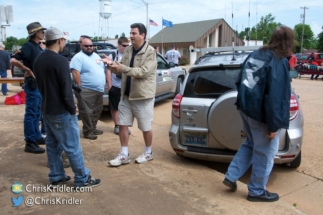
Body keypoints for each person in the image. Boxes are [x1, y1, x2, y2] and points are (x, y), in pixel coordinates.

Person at [223, 26, 294, 202]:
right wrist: (273, 125)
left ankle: (231, 176)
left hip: (246, 109)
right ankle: (256, 191)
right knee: (265, 153)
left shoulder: (256, 54)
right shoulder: (278, 61)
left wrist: (243, 105)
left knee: (250, 143)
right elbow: (276, 96)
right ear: (288, 42)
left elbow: (240, 80)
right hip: (261, 115)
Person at [33, 27, 101, 188]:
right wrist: (72, 109)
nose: (64, 44)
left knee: (52, 145)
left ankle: (56, 177)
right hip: (61, 110)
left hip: (46, 109)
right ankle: (82, 178)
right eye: (63, 40)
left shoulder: (39, 60)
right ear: (58, 40)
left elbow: (49, 84)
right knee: (72, 146)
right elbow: (65, 89)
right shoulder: (61, 61)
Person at [107, 23, 157, 167]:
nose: (131, 36)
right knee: (122, 125)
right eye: (130, 33)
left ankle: (148, 152)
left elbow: (143, 72)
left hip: (143, 97)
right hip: (126, 96)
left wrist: (121, 67)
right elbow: (121, 68)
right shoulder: (128, 50)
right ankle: (124, 154)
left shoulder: (150, 52)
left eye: (134, 33)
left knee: (145, 127)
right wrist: (111, 65)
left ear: (143, 35)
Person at [10, 22, 46, 154]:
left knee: (37, 112)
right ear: (35, 33)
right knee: (31, 113)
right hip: (33, 84)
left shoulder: (37, 46)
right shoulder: (28, 46)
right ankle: (30, 142)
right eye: (42, 31)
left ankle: (36, 137)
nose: (43, 33)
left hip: (38, 84)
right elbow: (13, 60)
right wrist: (26, 69)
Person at [70, 38, 106, 140]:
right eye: (87, 46)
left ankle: (93, 128)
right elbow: (75, 72)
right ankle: (87, 131)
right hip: (86, 89)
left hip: (99, 89)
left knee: (97, 110)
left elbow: (100, 69)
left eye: (91, 45)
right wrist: (80, 87)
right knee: (86, 112)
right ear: (81, 46)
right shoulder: (78, 57)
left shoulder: (96, 56)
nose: (90, 47)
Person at [106, 36, 131, 135]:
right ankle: (117, 126)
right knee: (115, 107)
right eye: (124, 45)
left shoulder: (129, 55)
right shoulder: (113, 55)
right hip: (116, 86)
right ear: (119, 45)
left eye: (127, 45)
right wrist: (110, 86)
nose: (126, 47)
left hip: (126, 86)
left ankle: (124, 126)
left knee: (126, 107)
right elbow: (108, 71)